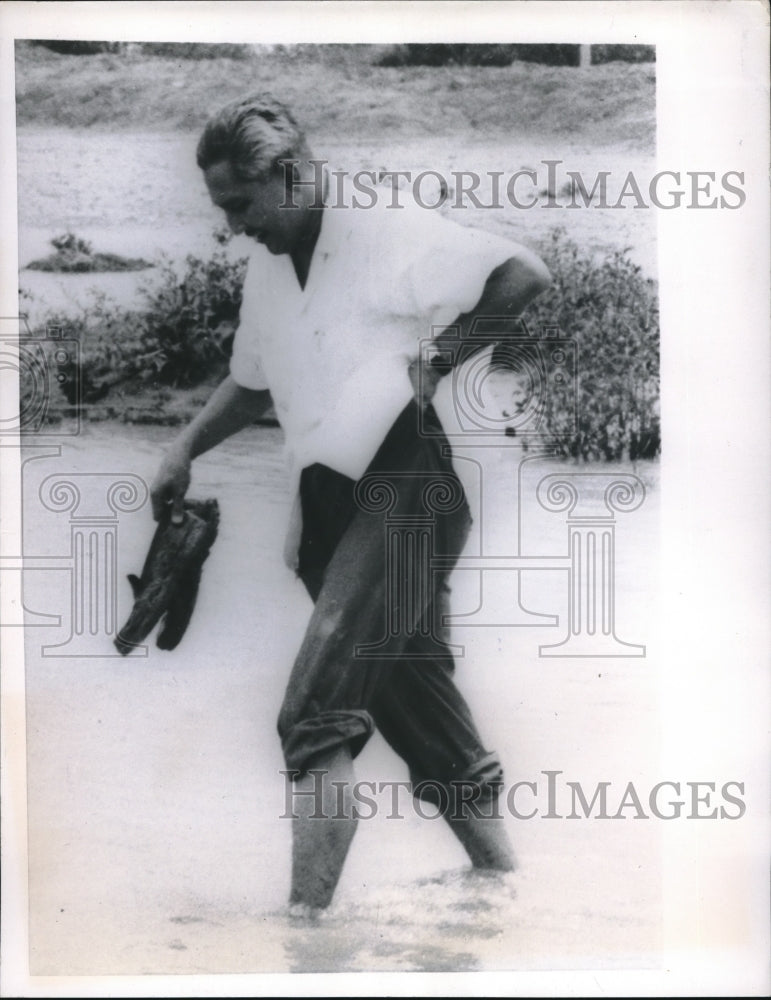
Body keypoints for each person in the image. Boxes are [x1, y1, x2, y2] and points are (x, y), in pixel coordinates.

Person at [150, 93, 551, 914]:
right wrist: (183, 446)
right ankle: (506, 900)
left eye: (239, 205)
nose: (232, 226)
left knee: (314, 709)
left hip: (408, 486)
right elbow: (253, 380)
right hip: (331, 506)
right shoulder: (269, 265)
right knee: (420, 708)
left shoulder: (383, 228)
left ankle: (303, 936)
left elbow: (521, 274)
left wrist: (438, 362)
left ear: (291, 175)